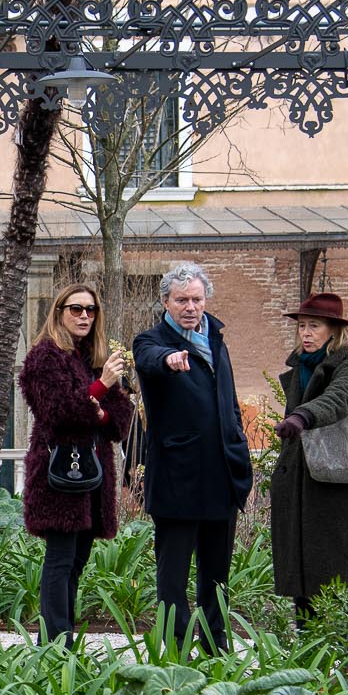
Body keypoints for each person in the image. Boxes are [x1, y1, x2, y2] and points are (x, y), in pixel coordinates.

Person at [132, 262, 252, 650]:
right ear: (165, 301)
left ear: (206, 300)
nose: (190, 307)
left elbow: (228, 402)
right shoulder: (151, 342)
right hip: (177, 477)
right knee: (173, 576)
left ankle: (217, 647)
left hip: (222, 473)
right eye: (181, 299)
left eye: (196, 299)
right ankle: (177, 649)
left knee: (217, 575)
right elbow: (150, 359)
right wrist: (169, 361)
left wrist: (237, 438)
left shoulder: (217, 340)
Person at [20, 283, 134, 645]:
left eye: (91, 310)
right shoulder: (44, 358)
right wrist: (99, 389)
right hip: (59, 473)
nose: (85, 316)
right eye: (76, 309)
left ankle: (59, 640)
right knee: (60, 559)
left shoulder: (93, 357)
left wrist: (98, 410)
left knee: (78, 560)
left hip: (93, 475)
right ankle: (55, 645)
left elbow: (121, 417)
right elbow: (56, 411)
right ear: (59, 313)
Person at [271, 292, 348, 623]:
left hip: (336, 488)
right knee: (303, 578)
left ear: (334, 331)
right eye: (302, 326)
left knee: (340, 579)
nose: (306, 333)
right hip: (300, 486)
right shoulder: (300, 367)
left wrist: (301, 417)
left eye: (314, 326)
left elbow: (338, 399)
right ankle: (308, 662)